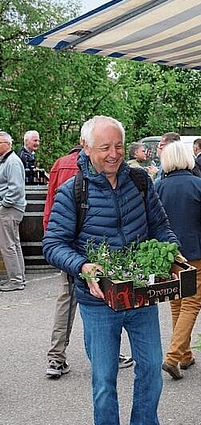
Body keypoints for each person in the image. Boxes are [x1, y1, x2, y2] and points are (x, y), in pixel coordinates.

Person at [42, 115, 179, 425]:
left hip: (141, 294)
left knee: (151, 368)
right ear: (86, 147)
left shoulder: (141, 182)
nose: (114, 154)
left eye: (118, 146)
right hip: (98, 302)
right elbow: (53, 244)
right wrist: (83, 265)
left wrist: (171, 252)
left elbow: (160, 226)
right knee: (104, 380)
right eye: (105, 147)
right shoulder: (72, 191)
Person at [43, 143, 134, 378]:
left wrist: (52, 240)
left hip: (65, 245)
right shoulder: (89, 169)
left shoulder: (58, 165)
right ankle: (104, 354)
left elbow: (49, 205)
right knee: (96, 301)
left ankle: (56, 357)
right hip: (89, 249)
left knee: (69, 300)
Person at [156, 141, 201, 381]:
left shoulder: (158, 187)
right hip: (197, 253)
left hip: (170, 255)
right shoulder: (200, 186)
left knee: (177, 305)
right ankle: (173, 357)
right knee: (191, 306)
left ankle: (185, 354)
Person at [0, 131, 26, 291]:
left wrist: (3, 204)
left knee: (7, 245)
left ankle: (16, 281)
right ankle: (18, 278)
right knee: (14, 244)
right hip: (11, 208)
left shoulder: (12, 162)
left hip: (10, 209)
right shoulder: (8, 161)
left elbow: (16, 189)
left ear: (7, 144)